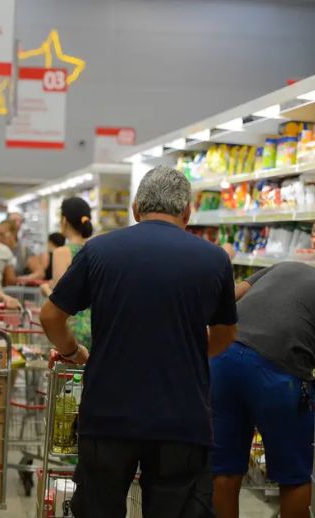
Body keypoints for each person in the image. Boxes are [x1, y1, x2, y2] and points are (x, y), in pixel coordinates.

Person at [40, 165, 237, 518]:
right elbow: (225, 336)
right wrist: (189, 353)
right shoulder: (214, 260)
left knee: (99, 507)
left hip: (107, 415)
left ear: (135, 208)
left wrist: (74, 351)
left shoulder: (99, 251)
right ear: (188, 212)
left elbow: (51, 316)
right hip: (182, 419)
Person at [211, 261, 315, 518]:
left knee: (223, 470)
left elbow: (230, 295)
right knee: (294, 476)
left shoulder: (284, 266)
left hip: (223, 357)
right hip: (277, 371)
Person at [41, 198, 93, 348]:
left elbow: (60, 296)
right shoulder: (96, 249)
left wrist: (45, 289)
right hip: (96, 325)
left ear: (64, 220)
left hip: (73, 326)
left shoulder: (62, 252)